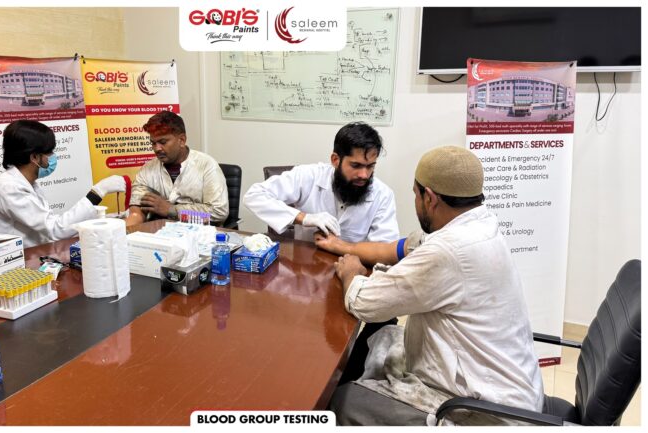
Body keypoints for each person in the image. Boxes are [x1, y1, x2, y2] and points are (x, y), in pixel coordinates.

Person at [328, 146, 543, 426]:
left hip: (486, 414)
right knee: (383, 342)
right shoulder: (480, 225)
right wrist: (342, 246)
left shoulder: (447, 251)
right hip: (514, 392)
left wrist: (351, 273)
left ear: (429, 197)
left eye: (415, 195)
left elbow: (365, 303)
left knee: (342, 400)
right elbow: (397, 248)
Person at [243, 122, 399, 243]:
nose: (364, 175)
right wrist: (304, 218)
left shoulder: (383, 195)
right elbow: (253, 196)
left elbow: (385, 250)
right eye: (356, 165)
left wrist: (341, 247)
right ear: (335, 160)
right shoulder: (309, 176)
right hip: (305, 267)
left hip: (354, 270)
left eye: (370, 166)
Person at [0, 120, 126, 248]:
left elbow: (52, 226)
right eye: (49, 152)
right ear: (34, 157)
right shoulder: (8, 187)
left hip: (34, 251)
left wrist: (104, 220)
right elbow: (55, 230)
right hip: (14, 262)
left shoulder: (26, 183)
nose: (52, 157)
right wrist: (98, 192)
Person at [125, 111, 229, 226]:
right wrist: (120, 230)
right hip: (159, 232)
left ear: (182, 140)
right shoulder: (147, 169)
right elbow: (136, 213)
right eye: (153, 143)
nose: (157, 148)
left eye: (163, 142)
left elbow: (219, 212)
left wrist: (171, 210)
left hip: (199, 233)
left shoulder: (207, 165)